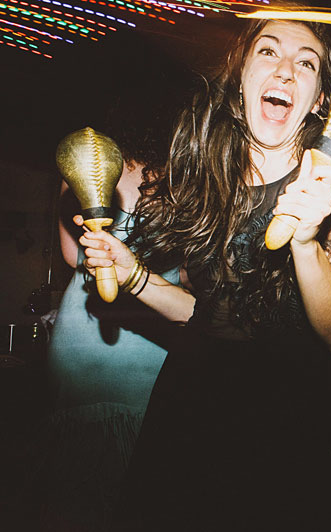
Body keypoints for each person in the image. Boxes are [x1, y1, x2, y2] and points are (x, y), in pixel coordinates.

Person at [76, 17, 331, 531]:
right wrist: (133, 274)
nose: (284, 71)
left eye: (306, 62)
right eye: (268, 52)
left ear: (321, 97)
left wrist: (305, 244)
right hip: (191, 402)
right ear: (241, 75)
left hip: (285, 413)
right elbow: (205, 314)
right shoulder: (208, 171)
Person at [33, 111, 181, 531]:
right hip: (152, 336)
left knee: (75, 498)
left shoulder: (79, 168)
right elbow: (191, 275)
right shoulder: (184, 180)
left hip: (82, 340)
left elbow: (71, 256)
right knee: (143, 497)